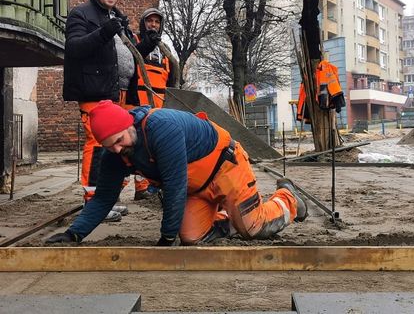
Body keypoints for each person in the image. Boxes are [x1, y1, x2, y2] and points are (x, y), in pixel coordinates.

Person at [45, 100, 308, 245]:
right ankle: (228, 216)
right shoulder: (114, 154)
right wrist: (74, 234)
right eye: (108, 146)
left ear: (128, 125)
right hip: (196, 188)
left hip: (226, 169)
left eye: (119, 140)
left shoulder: (161, 128)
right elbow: (103, 198)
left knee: (254, 228)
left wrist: (166, 237)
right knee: (192, 237)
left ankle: (288, 198)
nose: (116, 149)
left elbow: (174, 185)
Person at [63, 0, 159, 219]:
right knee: (97, 145)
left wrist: (146, 44)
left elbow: (126, 53)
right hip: (95, 91)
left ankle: (107, 198)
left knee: (117, 146)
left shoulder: (113, 17)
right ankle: (93, 201)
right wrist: (106, 31)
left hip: (119, 94)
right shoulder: (81, 14)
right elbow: (74, 48)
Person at [130, 8, 176, 200]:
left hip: (159, 104)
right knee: (138, 145)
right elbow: (130, 62)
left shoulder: (164, 49)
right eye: (150, 21)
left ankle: (151, 185)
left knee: (155, 146)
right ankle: (138, 187)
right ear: (143, 23)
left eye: (157, 22)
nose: (153, 25)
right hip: (138, 103)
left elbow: (171, 77)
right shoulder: (134, 41)